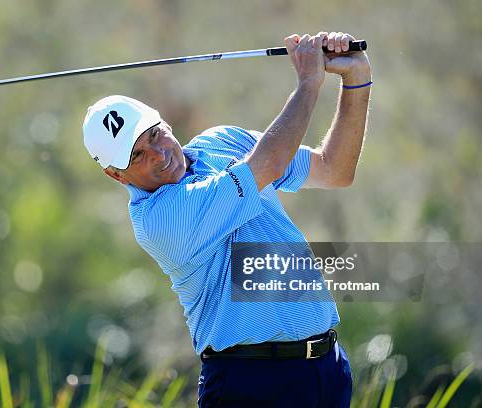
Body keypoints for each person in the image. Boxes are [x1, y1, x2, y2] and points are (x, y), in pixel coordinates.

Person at [82, 31, 371, 407]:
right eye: (137, 156)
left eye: (154, 135)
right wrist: (308, 83)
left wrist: (357, 80)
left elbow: (335, 169)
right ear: (116, 175)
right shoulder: (159, 218)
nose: (158, 154)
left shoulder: (224, 142)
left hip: (326, 370)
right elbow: (264, 165)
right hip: (250, 384)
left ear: (165, 122)